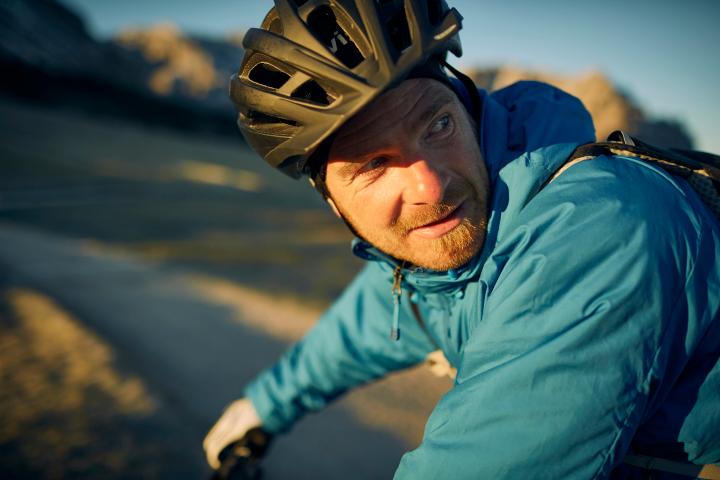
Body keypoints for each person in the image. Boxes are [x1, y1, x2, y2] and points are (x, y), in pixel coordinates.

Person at [203, 1, 720, 478]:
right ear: (334, 202)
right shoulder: (432, 257)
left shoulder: (599, 229)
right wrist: (263, 407)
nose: (429, 184)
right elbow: (375, 320)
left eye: (439, 124)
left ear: (469, 106)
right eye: (375, 164)